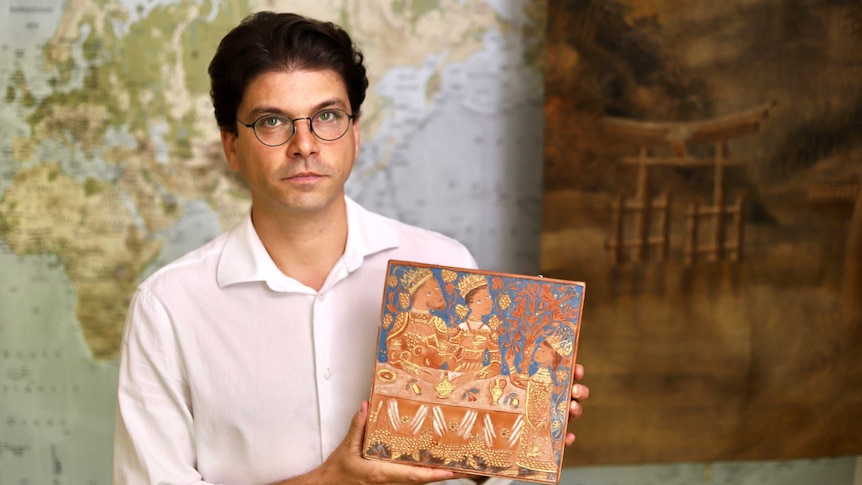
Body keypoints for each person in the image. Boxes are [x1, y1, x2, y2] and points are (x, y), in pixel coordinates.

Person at [112, 11, 589, 485]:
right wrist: (333, 480)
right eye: (272, 121)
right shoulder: (169, 308)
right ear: (231, 146)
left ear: (355, 133)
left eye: (326, 116)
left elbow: (480, 472)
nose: (304, 144)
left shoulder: (444, 265)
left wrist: (521, 421)